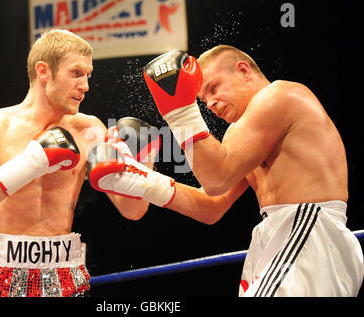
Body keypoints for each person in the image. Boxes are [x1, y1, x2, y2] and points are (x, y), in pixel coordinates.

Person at [90, 45, 363, 296]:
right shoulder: (241, 133)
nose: (209, 103)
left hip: (308, 231)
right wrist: (137, 179)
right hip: (284, 235)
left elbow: (217, 179)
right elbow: (210, 206)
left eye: (213, 88)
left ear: (243, 70)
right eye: (201, 98)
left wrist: (179, 112)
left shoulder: (280, 95)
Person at [0, 29, 155, 297]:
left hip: (63, 273)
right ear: (43, 71)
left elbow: (132, 210)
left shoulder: (90, 130)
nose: (86, 85)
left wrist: (145, 162)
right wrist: (31, 162)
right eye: (76, 73)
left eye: (88, 75)